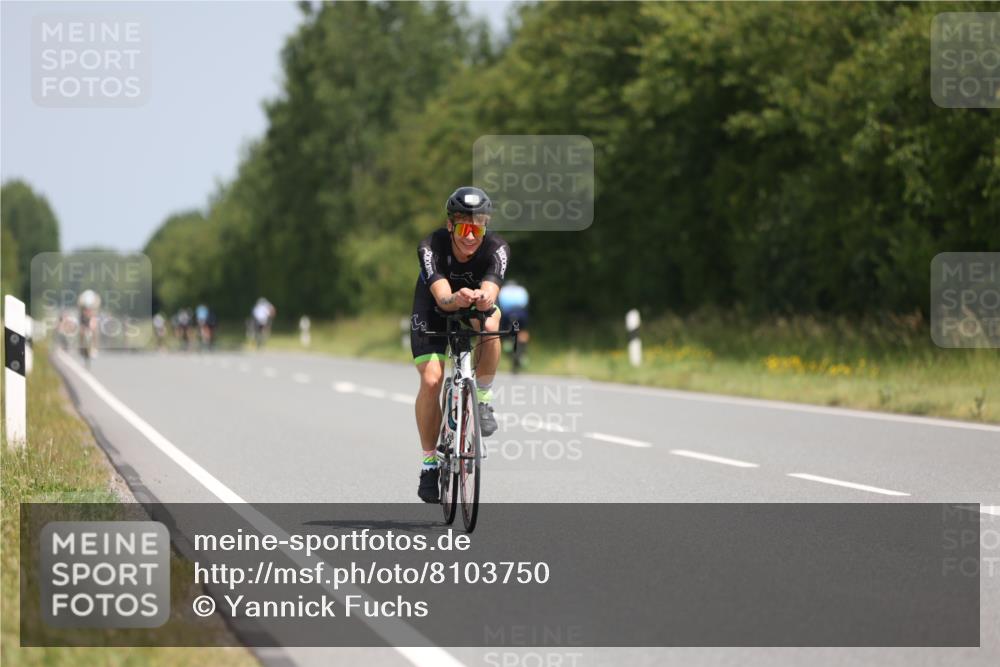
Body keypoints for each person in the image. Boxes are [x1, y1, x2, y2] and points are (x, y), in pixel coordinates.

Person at [410, 186, 509, 503]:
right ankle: (429, 464)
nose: (470, 237)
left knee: (491, 322)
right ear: (450, 225)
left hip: (473, 305)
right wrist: (457, 297)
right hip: (434, 308)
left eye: (477, 229)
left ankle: (482, 399)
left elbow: (491, 291)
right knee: (432, 380)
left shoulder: (497, 248)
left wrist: (483, 299)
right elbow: (442, 298)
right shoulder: (431, 247)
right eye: (463, 228)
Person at [498, 279, 530, 372]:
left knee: (501, 330)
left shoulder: (503, 290)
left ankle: (506, 344)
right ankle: (523, 351)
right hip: (521, 313)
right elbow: (526, 303)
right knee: (522, 330)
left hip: (507, 314)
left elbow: (500, 304)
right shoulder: (522, 290)